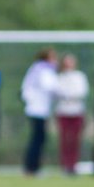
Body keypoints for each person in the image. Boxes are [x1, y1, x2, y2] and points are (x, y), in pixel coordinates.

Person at [21, 49, 58, 177]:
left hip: (36, 108)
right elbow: (52, 87)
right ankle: (32, 167)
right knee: (38, 139)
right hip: (38, 109)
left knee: (37, 139)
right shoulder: (44, 70)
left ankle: (31, 167)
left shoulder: (35, 68)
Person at [53, 53, 90, 176]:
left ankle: (73, 165)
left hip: (76, 111)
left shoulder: (79, 76)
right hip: (63, 111)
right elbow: (57, 91)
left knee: (75, 140)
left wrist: (70, 95)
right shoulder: (60, 77)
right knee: (64, 140)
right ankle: (64, 165)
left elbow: (81, 91)